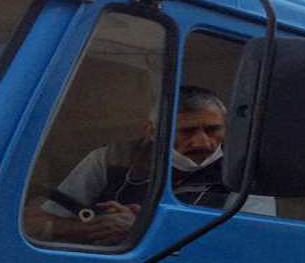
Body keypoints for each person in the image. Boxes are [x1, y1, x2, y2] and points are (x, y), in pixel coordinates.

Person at [30, 86, 272, 245]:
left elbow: (247, 244)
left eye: (212, 129)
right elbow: (35, 222)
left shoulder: (244, 173)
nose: (202, 141)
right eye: (186, 131)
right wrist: (93, 228)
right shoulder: (110, 159)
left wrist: (140, 228)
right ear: (151, 131)